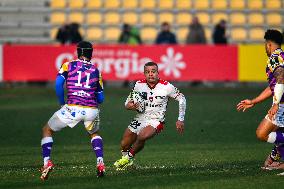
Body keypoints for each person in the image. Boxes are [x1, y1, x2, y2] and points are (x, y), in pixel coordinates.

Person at [40, 41, 105, 180]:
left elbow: (58, 84)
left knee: (47, 129)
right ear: (90, 53)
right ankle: (100, 162)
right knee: (94, 133)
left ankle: (47, 162)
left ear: (78, 52)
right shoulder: (96, 70)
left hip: (72, 108)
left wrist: (62, 103)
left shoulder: (68, 65)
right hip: (91, 110)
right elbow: (101, 98)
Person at [114, 61, 187, 170]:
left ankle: (126, 159)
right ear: (144, 74)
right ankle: (128, 164)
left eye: (153, 71)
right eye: (147, 72)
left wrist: (180, 119)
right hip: (140, 118)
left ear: (158, 73)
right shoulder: (139, 84)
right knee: (124, 144)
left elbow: (182, 98)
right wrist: (130, 106)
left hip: (156, 120)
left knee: (142, 136)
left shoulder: (166, 86)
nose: (151, 74)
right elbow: (127, 103)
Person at [237, 29, 284, 170]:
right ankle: (276, 157)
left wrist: (275, 103)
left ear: (269, 44)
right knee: (279, 134)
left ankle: (276, 156)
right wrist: (254, 101)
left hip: (282, 104)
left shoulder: (274, 58)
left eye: (265, 44)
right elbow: (273, 87)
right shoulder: (281, 56)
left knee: (262, 133)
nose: (265, 47)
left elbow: (281, 79)